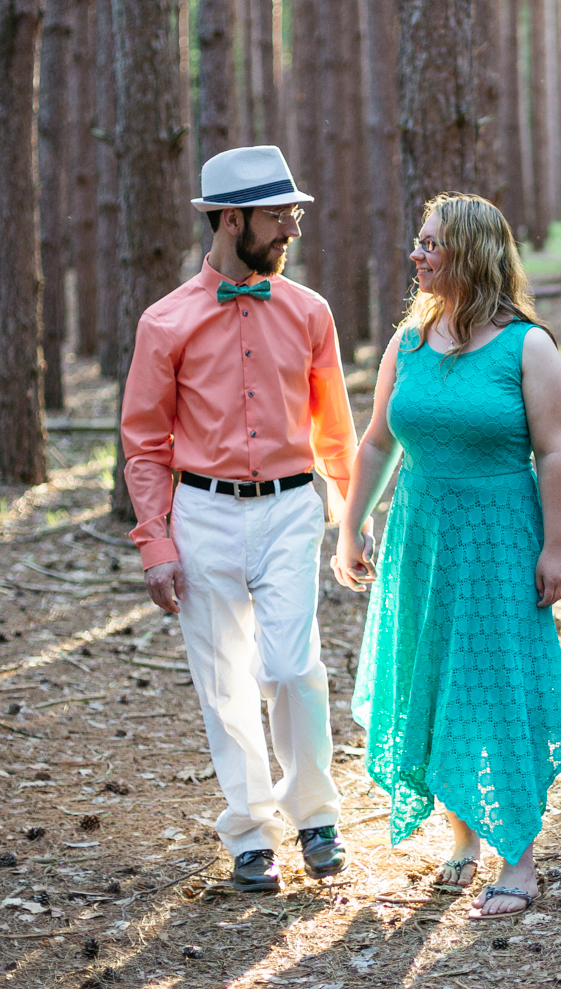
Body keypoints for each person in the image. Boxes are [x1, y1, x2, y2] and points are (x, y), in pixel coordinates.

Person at [119, 145, 358, 894]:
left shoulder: (310, 310)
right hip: (203, 512)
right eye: (278, 215)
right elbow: (144, 440)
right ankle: (251, 831)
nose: (291, 226)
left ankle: (315, 813)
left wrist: (351, 515)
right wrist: (156, 540)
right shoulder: (165, 322)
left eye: (293, 212)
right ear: (230, 220)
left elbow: (335, 429)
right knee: (224, 680)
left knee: (293, 666)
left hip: (292, 507)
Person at [335, 193, 561, 920]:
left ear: (471, 253)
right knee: (434, 677)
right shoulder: (409, 341)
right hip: (423, 537)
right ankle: (461, 838)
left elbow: (555, 453)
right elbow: (378, 439)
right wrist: (351, 526)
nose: (418, 255)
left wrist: (557, 546)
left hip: (501, 537)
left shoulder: (526, 346)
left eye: (432, 243)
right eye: (418, 241)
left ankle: (520, 858)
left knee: (497, 686)